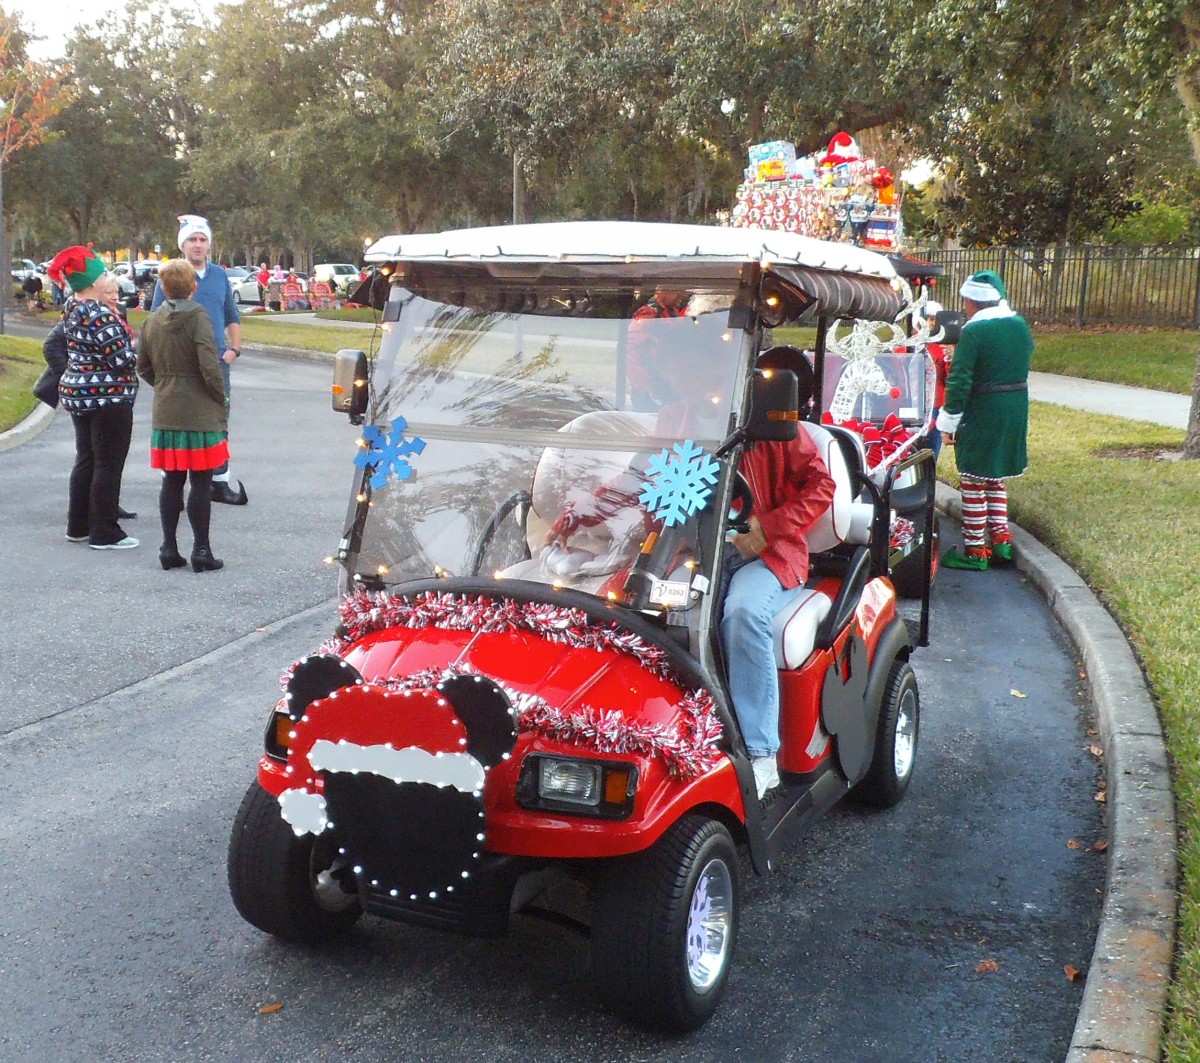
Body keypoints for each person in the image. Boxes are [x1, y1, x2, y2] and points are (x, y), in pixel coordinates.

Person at [721, 346, 835, 798]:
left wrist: (768, 527)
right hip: (701, 549)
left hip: (767, 553)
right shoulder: (684, 415)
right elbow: (655, 479)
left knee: (743, 614)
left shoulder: (771, 420)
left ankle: (760, 750)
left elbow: (821, 485)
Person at [935, 270, 1034, 571]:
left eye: (966, 301)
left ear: (973, 301)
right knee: (995, 477)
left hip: (983, 408)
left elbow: (960, 381)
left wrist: (948, 422)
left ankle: (975, 551)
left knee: (974, 478)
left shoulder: (974, 332)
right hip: (1016, 406)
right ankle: (1001, 542)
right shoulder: (1019, 326)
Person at [137, 259, 229, 573]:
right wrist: (220, 398)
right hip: (200, 410)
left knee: (171, 481)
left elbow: (143, 367)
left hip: (166, 409)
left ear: (163, 288)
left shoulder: (151, 321)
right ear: (193, 286)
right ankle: (201, 550)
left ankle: (168, 547)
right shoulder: (199, 317)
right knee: (201, 483)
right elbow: (209, 364)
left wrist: (165, 384)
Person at [151, 214, 247, 505]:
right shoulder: (170, 276)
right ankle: (174, 485)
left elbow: (231, 315)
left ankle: (219, 482)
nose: (197, 245)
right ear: (183, 245)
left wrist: (234, 349)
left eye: (202, 239)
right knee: (178, 422)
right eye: (192, 239)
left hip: (217, 360)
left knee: (218, 419)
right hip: (181, 364)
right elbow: (157, 318)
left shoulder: (219, 275)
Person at [48, 247, 139, 550]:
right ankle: (105, 532)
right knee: (108, 464)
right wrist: (137, 352)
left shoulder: (73, 308)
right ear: (90, 282)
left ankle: (78, 525)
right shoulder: (99, 314)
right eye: (101, 274)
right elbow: (122, 359)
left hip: (78, 394)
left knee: (86, 459)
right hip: (107, 397)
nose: (106, 278)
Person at [922, 300, 951, 459]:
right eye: (927, 318)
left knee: (931, 453)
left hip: (936, 406)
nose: (930, 323)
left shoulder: (944, 347)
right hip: (913, 407)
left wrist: (950, 360)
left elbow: (950, 380)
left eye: (934, 319)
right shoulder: (906, 346)